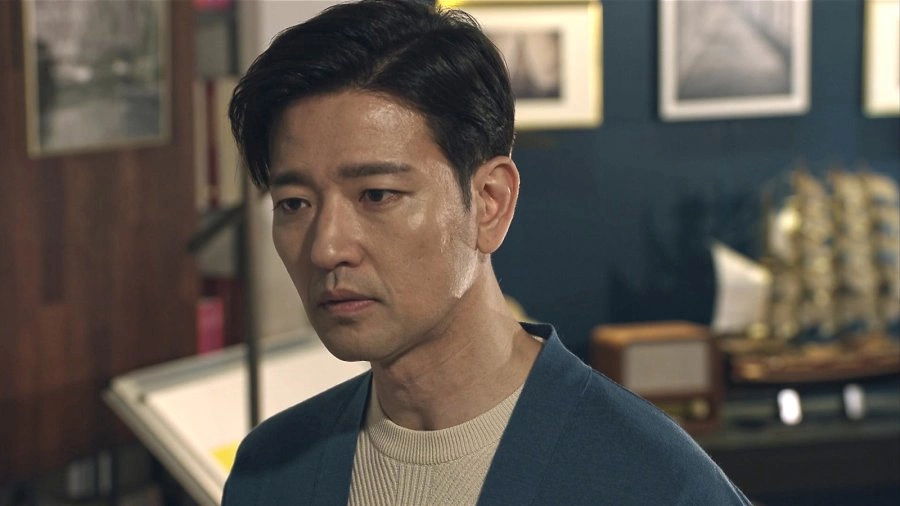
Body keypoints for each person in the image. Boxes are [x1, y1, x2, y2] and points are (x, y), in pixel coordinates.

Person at [223, 1, 751, 504]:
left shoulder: (652, 484)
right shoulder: (270, 473)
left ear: (489, 202)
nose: (326, 247)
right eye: (294, 204)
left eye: (377, 195)